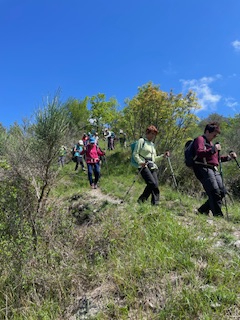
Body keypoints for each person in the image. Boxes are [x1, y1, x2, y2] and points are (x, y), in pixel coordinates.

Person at [192, 122, 237, 217]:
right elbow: (199, 153)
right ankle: (218, 215)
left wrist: (229, 157)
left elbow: (216, 159)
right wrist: (213, 149)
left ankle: (202, 210)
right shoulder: (200, 139)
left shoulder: (211, 143)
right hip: (202, 167)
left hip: (213, 169)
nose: (215, 137)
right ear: (207, 132)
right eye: (214, 135)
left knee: (222, 191)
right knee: (214, 191)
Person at [133, 125, 169, 206]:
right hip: (143, 165)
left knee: (155, 184)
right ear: (147, 133)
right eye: (151, 133)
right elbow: (135, 154)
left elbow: (154, 158)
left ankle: (155, 204)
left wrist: (163, 156)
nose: (153, 136)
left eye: (154, 134)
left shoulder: (152, 145)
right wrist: (140, 162)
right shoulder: (141, 141)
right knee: (151, 183)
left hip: (152, 165)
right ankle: (141, 200)